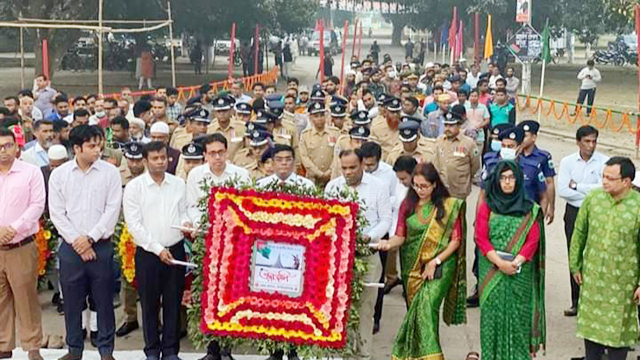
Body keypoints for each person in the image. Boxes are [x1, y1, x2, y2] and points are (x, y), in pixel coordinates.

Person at [376, 162, 466, 360]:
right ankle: (416, 355)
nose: (419, 190)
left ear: (434, 184)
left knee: (426, 307)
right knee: (417, 313)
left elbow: (455, 241)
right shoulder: (407, 204)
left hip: (441, 264)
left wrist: (435, 261)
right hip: (413, 266)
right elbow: (400, 236)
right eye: (415, 185)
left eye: (424, 186)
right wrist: (387, 244)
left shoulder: (448, 205)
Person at [49, 125, 123, 360]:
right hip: (71, 248)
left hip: (100, 245)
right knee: (71, 301)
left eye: (99, 144)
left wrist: (90, 238)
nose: (98, 150)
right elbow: (57, 213)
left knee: (103, 301)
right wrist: (78, 242)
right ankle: (74, 349)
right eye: (91, 146)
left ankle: (106, 350)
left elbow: (112, 209)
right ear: (77, 148)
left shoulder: (110, 173)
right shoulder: (60, 175)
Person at [123, 141, 193, 360]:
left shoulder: (178, 183)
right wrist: (158, 249)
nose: (161, 161)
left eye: (163, 157)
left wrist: (187, 223)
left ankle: (171, 351)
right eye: (155, 158)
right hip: (149, 254)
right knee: (150, 304)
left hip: (176, 250)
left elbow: (184, 212)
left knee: (173, 303)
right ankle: (152, 350)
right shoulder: (135, 188)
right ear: (145, 161)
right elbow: (134, 225)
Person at [570, 157, 640, 360]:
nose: (604, 181)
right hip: (592, 280)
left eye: (610, 178)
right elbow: (579, 232)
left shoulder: (637, 206)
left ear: (626, 181)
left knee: (618, 337)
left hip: (622, 285)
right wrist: (575, 266)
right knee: (591, 335)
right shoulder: (593, 199)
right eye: (603, 176)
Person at [186, 133, 248, 360]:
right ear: (204, 155)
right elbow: (192, 206)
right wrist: (201, 224)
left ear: (227, 151)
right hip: (206, 241)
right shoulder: (195, 175)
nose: (217, 157)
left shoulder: (240, 175)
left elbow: (246, 208)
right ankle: (212, 348)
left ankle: (227, 348)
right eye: (212, 153)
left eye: (221, 152)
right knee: (208, 295)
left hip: (234, 244)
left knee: (230, 296)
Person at [475, 160, 545, 360]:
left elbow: (533, 240)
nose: (507, 182)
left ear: (518, 180)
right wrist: (500, 263)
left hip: (519, 273)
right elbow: (481, 237)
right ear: (496, 181)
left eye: (511, 178)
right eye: (503, 178)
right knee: (492, 317)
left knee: (519, 316)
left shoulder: (530, 209)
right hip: (491, 270)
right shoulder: (487, 205)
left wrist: (515, 263)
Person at [325, 149, 391, 360]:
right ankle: (341, 353)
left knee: (364, 309)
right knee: (340, 307)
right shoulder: (332, 187)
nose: (348, 172)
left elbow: (386, 220)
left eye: (353, 167)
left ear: (363, 164)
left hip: (367, 255)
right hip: (339, 259)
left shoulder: (378, 187)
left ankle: (363, 354)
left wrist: (368, 237)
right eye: (344, 168)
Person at [0, 128, 46, 360]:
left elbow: (37, 205)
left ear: (17, 146)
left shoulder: (30, 172)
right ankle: (3, 345)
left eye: (8, 146)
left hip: (21, 245)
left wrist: (13, 229)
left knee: (26, 299)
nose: (3, 151)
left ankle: (32, 347)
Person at [557, 125, 608, 317]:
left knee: (595, 255)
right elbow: (563, 191)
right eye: (587, 141)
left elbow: (604, 189)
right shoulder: (568, 162)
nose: (591, 145)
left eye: (594, 141)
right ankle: (576, 301)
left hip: (597, 212)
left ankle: (594, 301)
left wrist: (577, 186)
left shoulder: (605, 162)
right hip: (574, 212)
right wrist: (589, 191)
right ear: (578, 142)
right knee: (575, 253)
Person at [433, 106, 481, 200]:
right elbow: (436, 162)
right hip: (441, 188)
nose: (447, 128)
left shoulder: (468, 143)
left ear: (459, 126)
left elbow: (475, 166)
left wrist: (464, 176)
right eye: (446, 125)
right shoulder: (439, 140)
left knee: (459, 214)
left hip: (459, 189)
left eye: (451, 126)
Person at [517, 120, 556, 223]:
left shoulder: (543, 157)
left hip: (534, 203)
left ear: (534, 137)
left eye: (525, 136)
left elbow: (549, 182)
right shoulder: (514, 155)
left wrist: (551, 207)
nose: (521, 139)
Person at [299, 101, 339, 187]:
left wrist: (330, 171)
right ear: (310, 118)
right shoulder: (305, 135)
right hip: (312, 179)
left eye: (322, 115)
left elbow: (338, 154)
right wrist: (319, 173)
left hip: (332, 178)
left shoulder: (335, 133)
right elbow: (304, 157)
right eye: (316, 116)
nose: (319, 119)